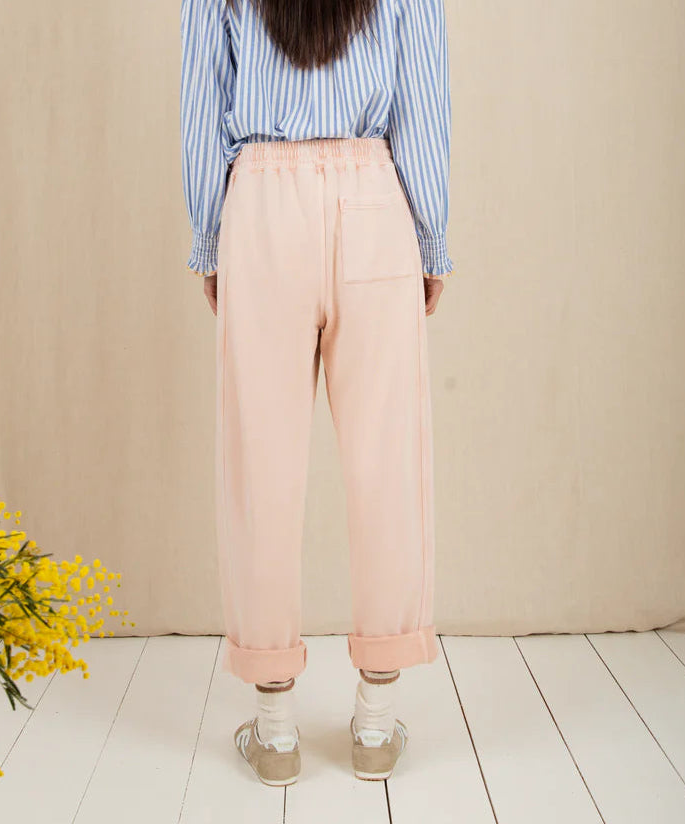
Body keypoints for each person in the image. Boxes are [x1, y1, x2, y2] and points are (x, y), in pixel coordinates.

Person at [179, 0, 453, 786]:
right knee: (385, 464)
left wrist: (209, 241)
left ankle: (274, 733)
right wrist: (431, 237)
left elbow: (201, 101)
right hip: (374, 201)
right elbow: (422, 102)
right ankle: (372, 723)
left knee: (261, 470)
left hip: (261, 206)